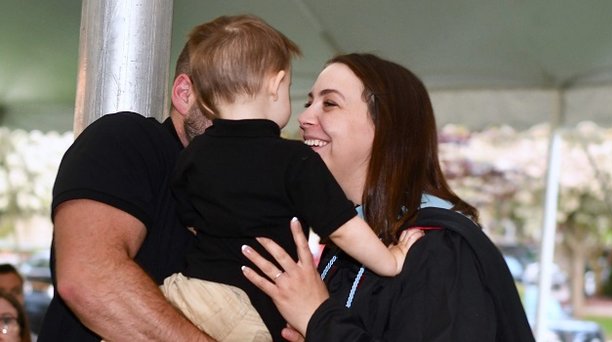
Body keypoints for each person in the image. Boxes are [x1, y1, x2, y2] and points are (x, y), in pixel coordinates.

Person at [241, 53, 535, 341]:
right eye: (308, 102)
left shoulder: (440, 249)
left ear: (385, 128)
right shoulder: (353, 242)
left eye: (329, 103)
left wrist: (318, 317)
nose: (303, 117)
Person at [166, 15, 420, 342]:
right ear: (275, 84)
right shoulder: (294, 160)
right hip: (245, 309)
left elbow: (190, 219)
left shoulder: (191, 154)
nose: (303, 114)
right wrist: (391, 260)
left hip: (189, 291)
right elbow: (342, 230)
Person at [36, 16, 233, 342]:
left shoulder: (236, 200)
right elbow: (90, 277)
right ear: (185, 94)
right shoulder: (128, 140)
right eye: (235, 101)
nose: (251, 124)